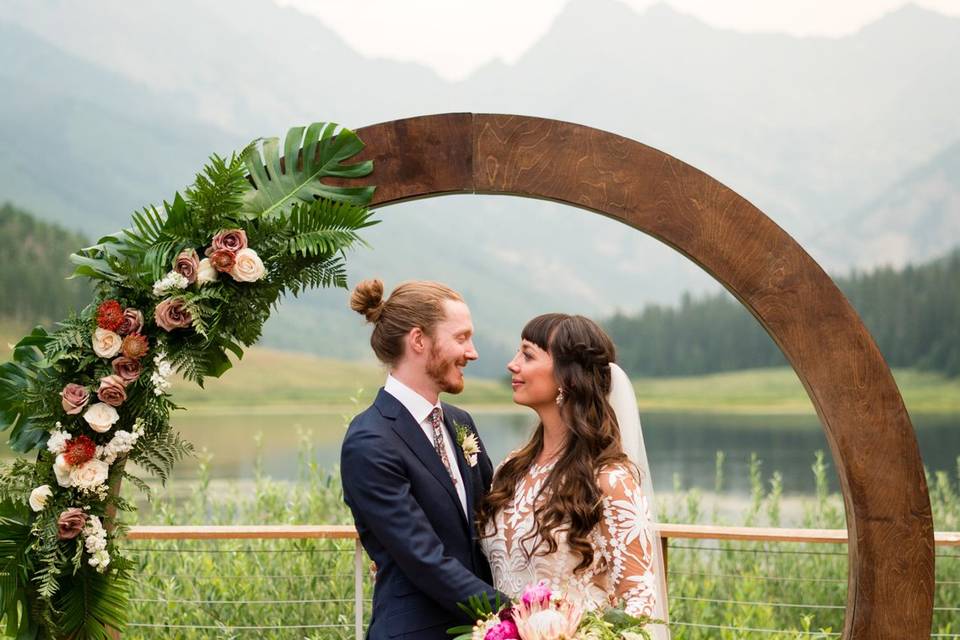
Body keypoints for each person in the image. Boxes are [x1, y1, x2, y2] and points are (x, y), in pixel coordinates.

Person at [477, 313, 670, 639]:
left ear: (567, 377)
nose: (512, 365)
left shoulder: (610, 479)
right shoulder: (509, 470)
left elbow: (638, 600)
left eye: (527, 355)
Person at [341, 279, 502, 640]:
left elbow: (492, 516)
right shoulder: (370, 440)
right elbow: (424, 559)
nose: (472, 352)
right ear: (418, 340)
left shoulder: (460, 422)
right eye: (461, 338)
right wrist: (518, 614)